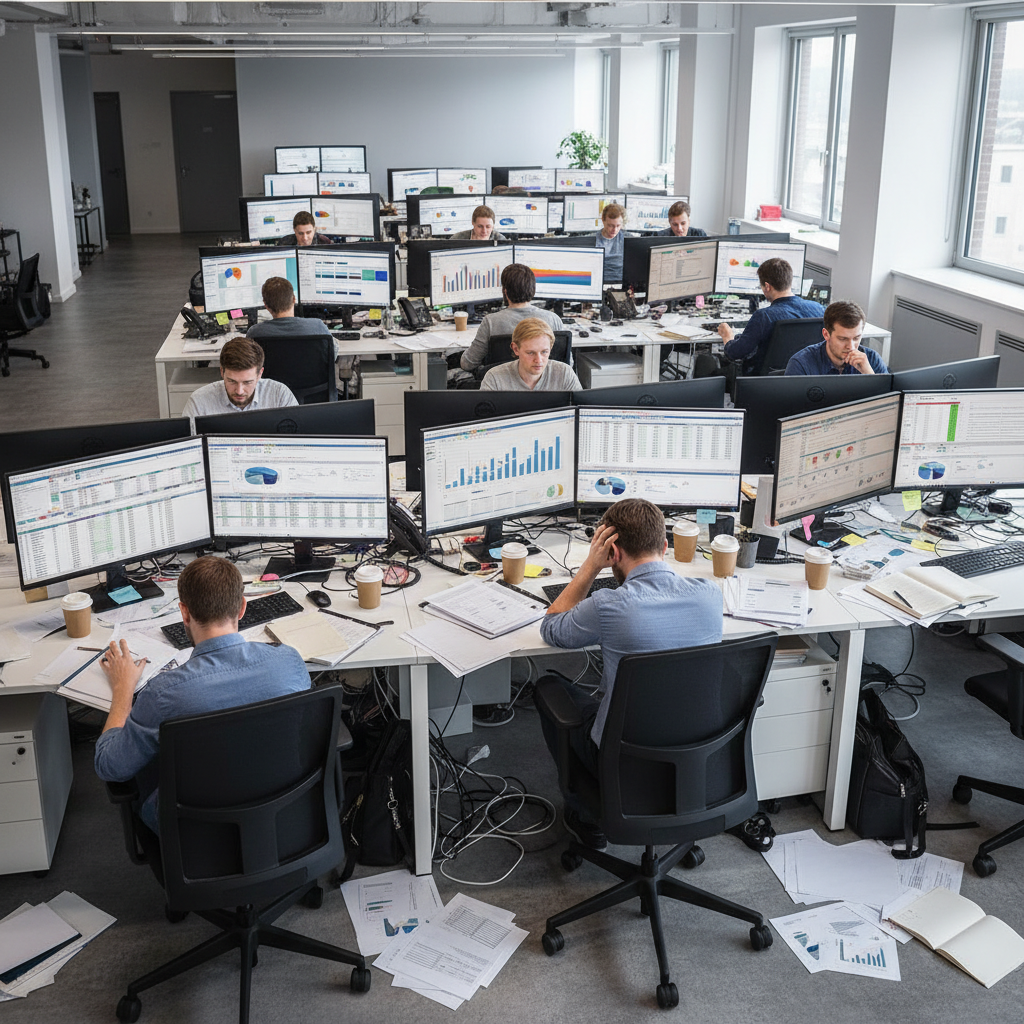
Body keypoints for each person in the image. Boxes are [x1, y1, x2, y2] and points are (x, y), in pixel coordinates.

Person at [536, 499, 723, 849]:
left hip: (624, 764)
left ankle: (586, 815)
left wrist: (590, 569)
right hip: (696, 760)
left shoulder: (608, 605)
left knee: (550, 688)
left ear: (612, 552)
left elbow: (552, 628)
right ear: (665, 546)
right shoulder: (710, 596)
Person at [94, 557, 310, 833]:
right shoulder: (288, 661)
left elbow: (109, 766)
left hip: (198, 837)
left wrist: (123, 690)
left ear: (184, 613)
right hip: (284, 814)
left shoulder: (164, 694)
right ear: (242, 607)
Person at [715, 258, 825, 376]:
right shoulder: (819, 309)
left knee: (706, 363)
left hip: (762, 382)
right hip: (804, 378)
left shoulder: (763, 316)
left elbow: (735, 353)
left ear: (767, 286)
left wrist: (728, 337)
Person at [460, 264, 564, 372]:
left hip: (501, 385)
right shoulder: (554, 319)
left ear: (505, 291)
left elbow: (468, 364)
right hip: (544, 385)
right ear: (533, 289)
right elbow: (567, 364)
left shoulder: (491, 322)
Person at [180, 337, 297, 424]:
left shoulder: (279, 395)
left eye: (247, 382)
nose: (239, 391)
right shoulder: (199, 402)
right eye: (232, 381)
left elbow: (298, 440)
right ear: (222, 372)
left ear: (259, 374)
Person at [786, 300, 889, 376]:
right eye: (842, 339)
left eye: (856, 338)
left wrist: (869, 375)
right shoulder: (801, 364)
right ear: (826, 334)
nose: (851, 346)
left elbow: (889, 403)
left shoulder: (872, 360)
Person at [480, 317, 582, 392]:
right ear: (516, 349)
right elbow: (483, 419)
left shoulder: (565, 374)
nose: (538, 360)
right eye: (531, 353)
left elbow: (581, 414)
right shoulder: (494, 378)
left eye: (544, 352)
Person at [594, 202, 633, 283]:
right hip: (599, 282)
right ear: (603, 221)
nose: (614, 230)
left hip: (622, 283)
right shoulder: (593, 240)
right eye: (610, 225)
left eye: (618, 226)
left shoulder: (629, 239)